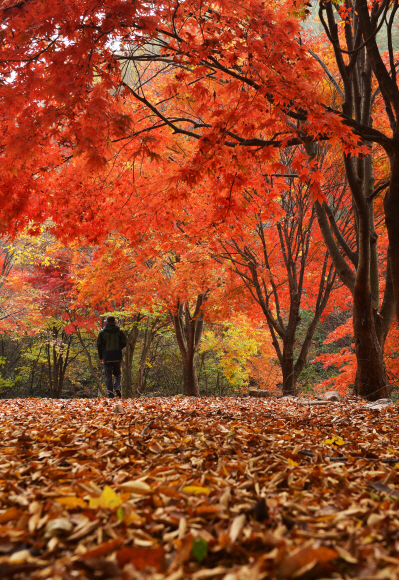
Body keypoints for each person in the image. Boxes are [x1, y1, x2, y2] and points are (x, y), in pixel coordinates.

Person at [97, 316, 127, 398]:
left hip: (107, 356)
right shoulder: (119, 331)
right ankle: (117, 387)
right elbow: (124, 342)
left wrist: (100, 356)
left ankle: (110, 394)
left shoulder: (102, 332)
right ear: (115, 322)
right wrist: (118, 348)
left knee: (108, 376)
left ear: (107, 323)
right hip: (117, 355)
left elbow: (99, 345)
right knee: (117, 373)